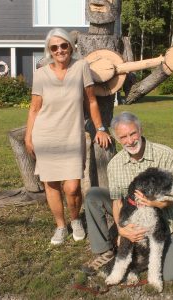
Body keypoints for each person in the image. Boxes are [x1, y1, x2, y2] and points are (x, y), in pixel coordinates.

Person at [25, 28, 111, 246]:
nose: (60, 50)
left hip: (72, 135)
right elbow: (34, 108)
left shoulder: (81, 67)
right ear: (49, 51)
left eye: (64, 45)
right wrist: (28, 136)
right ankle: (61, 226)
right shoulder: (41, 74)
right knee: (51, 184)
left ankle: (75, 220)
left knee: (72, 187)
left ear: (70, 47)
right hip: (45, 135)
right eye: (54, 47)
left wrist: (100, 128)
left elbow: (91, 101)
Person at [81, 112, 173, 281]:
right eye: (123, 137)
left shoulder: (165, 154)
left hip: (163, 217)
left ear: (140, 130)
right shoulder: (115, 164)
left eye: (133, 133)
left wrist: (158, 204)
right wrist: (121, 230)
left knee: (172, 276)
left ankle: (153, 252)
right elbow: (117, 201)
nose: (130, 141)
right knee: (93, 195)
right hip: (129, 209)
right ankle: (105, 250)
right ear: (117, 139)